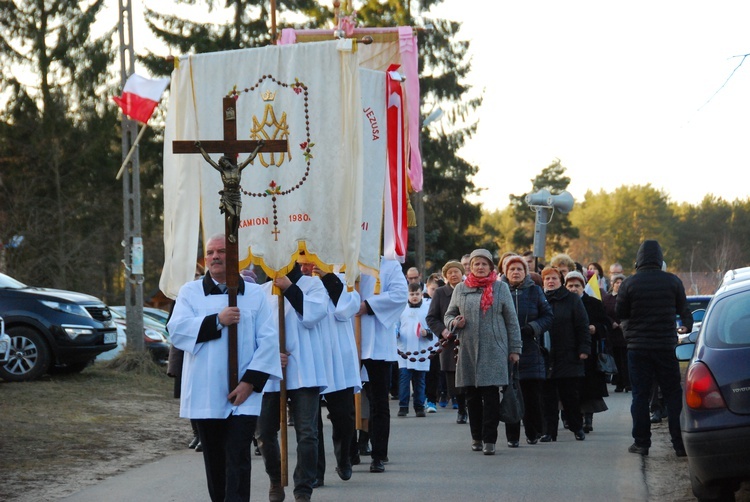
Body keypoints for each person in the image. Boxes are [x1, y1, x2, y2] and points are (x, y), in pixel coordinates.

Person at [168, 234, 282, 502]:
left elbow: (268, 340)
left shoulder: (253, 294)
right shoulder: (190, 292)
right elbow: (177, 330)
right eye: (210, 252)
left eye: (221, 251)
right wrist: (217, 320)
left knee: (239, 457)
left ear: (234, 256)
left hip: (243, 393)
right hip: (207, 392)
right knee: (216, 460)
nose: (215, 256)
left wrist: (250, 383)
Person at [257, 262, 329, 502]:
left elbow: (312, 316)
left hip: (304, 369)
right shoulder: (261, 291)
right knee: (265, 431)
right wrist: (270, 356)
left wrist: (289, 288)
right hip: (270, 371)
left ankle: (303, 488)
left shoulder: (313, 286)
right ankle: (276, 480)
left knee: (307, 433)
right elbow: (255, 331)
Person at [616, 240, 692, 457]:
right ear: (660, 259)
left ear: (638, 259)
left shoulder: (629, 284)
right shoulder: (672, 282)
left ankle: (641, 443)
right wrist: (685, 323)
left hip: (638, 348)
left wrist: (631, 333)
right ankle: (679, 445)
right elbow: (684, 309)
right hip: (665, 346)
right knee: (672, 394)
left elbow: (622, 312)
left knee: (639, 395)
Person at [444, 249, 522, 455]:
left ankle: (490, 439)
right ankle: (476, 437)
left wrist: (515, 349)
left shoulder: (500, 288)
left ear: (491, 267)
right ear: (470, 266)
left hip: (494, 349)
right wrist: (454, 322)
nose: (480, 267)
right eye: (476, 264)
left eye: (484, 264)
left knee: (490, 397)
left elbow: (512, 321)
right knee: (472, 397)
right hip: (468, 349)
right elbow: (449, 314)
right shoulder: (461, 288)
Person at [304, 261, 361, 487]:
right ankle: (316, 471)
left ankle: (344, 457)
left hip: (338, 356)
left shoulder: (342, 277)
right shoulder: (298, 281)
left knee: (343, 415)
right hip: (311, 354)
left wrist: (327, 277)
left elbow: (346, 308)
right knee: (310, 420)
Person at [357, 257, 409, 473]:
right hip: (348, 339)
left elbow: (399, 295)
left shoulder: (389, 265)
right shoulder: (340, 261)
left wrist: (367, 305)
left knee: (378, 401)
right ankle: (350, 451)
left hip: (377, 341)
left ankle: (378, 454)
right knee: (344, 402)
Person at [500, 255, 554, 447]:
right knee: (510, 394)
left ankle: (533, 432)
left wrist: (533, 327)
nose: (515, 272)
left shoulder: (535, 291)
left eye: (519, 269)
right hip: (505, 351)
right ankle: (512, 437)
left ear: (525, 272)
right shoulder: (498, 291)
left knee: (531, 396)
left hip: (530, 349)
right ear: (505, 272)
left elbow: (548, 316)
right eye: (511, 269)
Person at [539, 266, 590, 442]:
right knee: (548, 397)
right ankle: (549, 431)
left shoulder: (572, 299)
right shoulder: (539, 298)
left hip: (568, 353)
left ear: (560, 281)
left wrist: (584, 349)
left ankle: (577, 427)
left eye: (554, 278)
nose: (550, 281)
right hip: (545, 355)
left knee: (569, 395)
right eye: (547, 279)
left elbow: (582, 325)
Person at [563, 270, 609, 433]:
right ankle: (571, 417)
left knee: (589, 388)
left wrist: (596, 328)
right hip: (567, 352)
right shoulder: (562, 302)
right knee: (570, 387)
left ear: (583, 287)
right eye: (570, 285)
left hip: (590, 353)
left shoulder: (594, 303)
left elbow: (606, 324)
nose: (573, 288)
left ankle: (587, 419)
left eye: (577, 285)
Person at [426, 260, 468, 424]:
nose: (453, 275)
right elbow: (431, 317)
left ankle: (470, 408)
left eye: (456, 272)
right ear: (445, 276)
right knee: (452, 378)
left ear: (461, 273)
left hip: (469, 340)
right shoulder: (440, 293)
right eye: (450, 272)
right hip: (449, 342)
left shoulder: (469, 289)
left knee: (470, 376)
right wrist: (443, 331)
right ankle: (461, 409)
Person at [396, 282, 434, 417]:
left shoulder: (427, 308)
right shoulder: (401, 309)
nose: (414, 297)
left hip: (421, 349)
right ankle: (403, 406)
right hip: (405, 350)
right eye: (411, 294)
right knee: (404, 380)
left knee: (420, 381)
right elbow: (396, 324)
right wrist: (396, 333)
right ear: (407, 295)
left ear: (422, 293)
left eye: (417, 294)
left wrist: (427, 333)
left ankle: (419, 407)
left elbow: (433, 327)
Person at [602, 273, 629, 392]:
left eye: (621, 282)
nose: (619, 284)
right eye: (617, 282)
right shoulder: (607, 298)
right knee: (616, 358)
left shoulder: (628, 298)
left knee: (626, 359)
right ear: (612, 284)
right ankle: (619, 382)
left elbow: (631, 312)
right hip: (612, 333)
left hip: (625, 333)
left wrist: (624, 323)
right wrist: (611, 322)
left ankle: (628, 382)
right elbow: (603, 313)